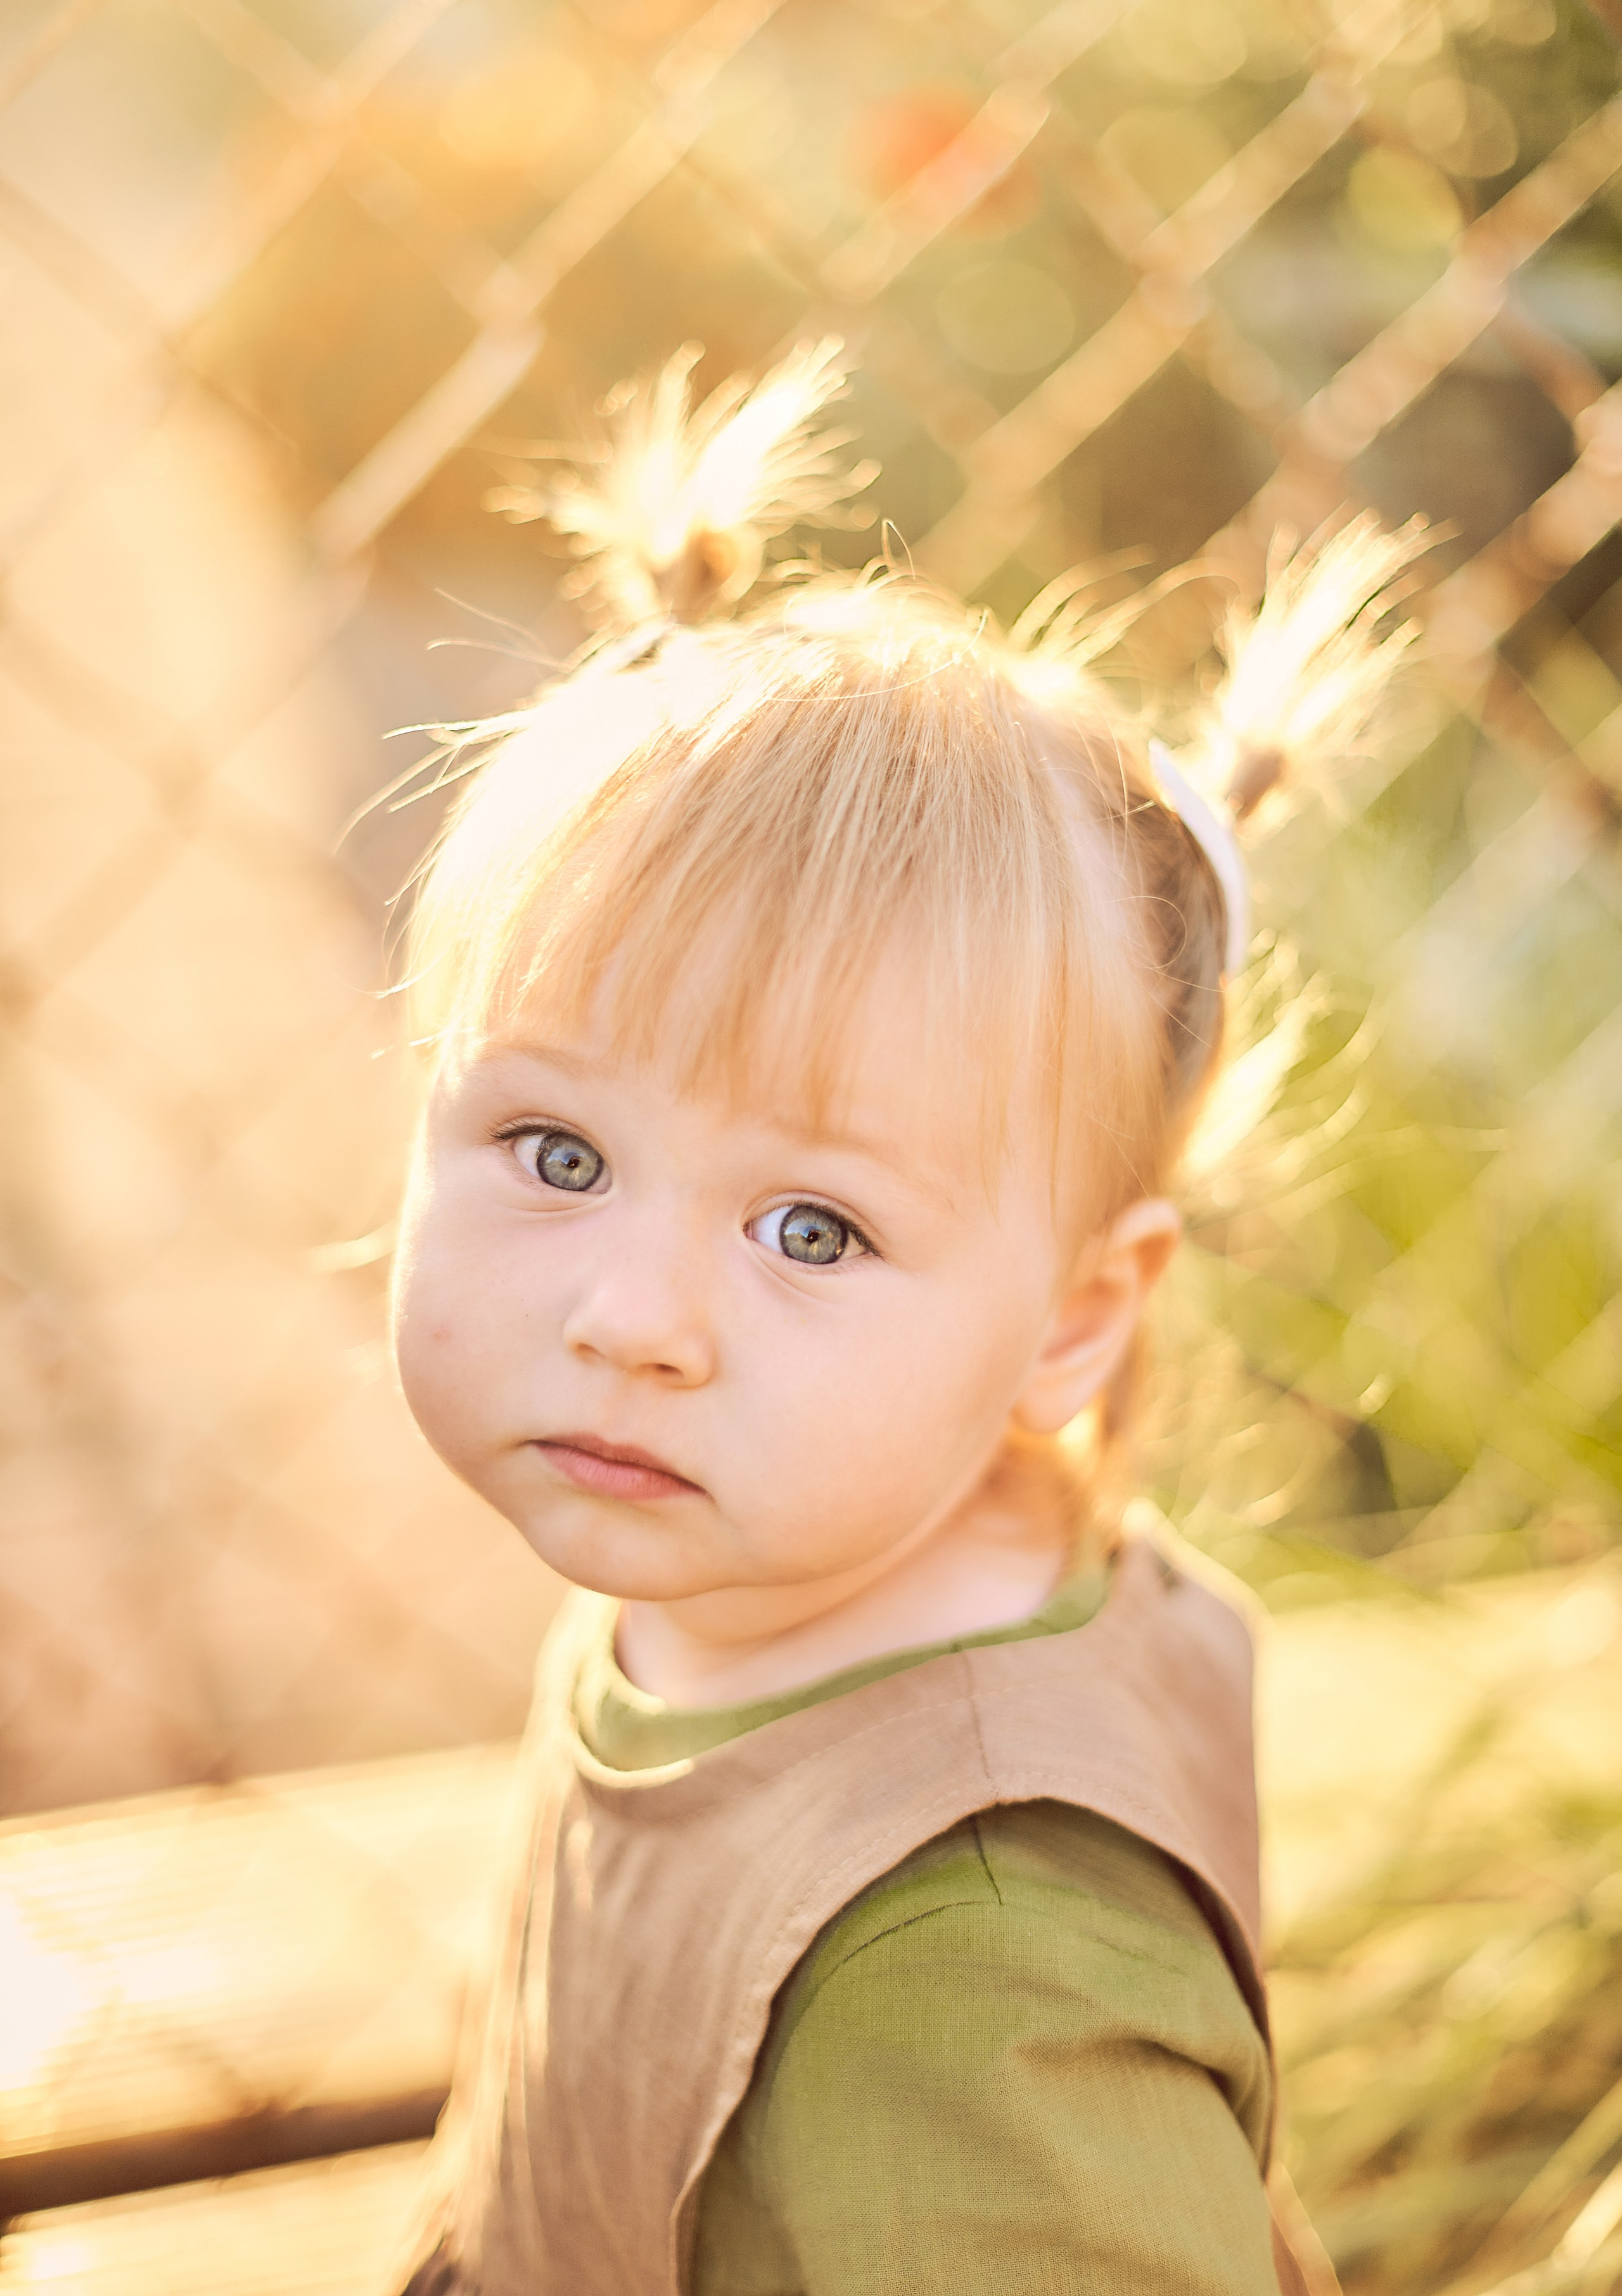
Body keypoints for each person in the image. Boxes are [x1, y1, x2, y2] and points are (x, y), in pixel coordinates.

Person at [386, 340, 1422, 2296]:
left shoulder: (973, 1983)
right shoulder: (741, 1530)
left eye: (815, 1227)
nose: (636, 1318)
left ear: (1072, 1319)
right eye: (559, 1146)